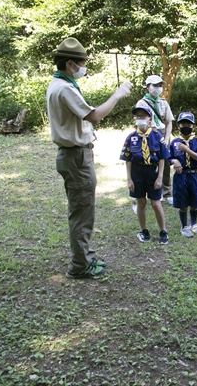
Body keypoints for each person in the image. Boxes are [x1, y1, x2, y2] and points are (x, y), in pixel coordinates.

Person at [47, 37, 132, 279]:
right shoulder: (63, 88)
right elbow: (94, 116)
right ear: (70, 64)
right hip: (76, 158)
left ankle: (85, 257)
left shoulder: (60, 84)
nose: (84, 68)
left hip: (74, 156)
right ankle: (80, 266)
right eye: (82, 63)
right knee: (82, 212)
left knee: (81, 210)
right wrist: (118, 95)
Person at [120, 106, 170, 244]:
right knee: (141, 202)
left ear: (150, 119)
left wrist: (160, 177)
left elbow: (162, 158)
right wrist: (129, 179)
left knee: (156, 203)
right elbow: (128, 159)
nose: (141, 119)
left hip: (152, 173)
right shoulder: (131, 137)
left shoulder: (157, 136)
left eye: (144, 116)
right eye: (138, 117)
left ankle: (163, 231)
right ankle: (144, 230)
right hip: (137, 173)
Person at [135, 75, 175, 206]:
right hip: (149, 134)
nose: (158, 88)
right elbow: (139, 122)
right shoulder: (141, 103)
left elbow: (169, 122)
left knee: (166, 163)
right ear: (147, 87)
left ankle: (167, 192)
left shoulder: (163, 103)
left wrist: (167, 138)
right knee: (150, 162)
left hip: (163, 134)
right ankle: (151, 191)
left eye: (160, 85)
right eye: (155, 85)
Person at [169, 112, 197, 238]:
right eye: (183, 123)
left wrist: (186, 150)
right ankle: (184, 226)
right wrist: (175, 160)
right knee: (183, 202)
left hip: (195, 175)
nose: (186, 126)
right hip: (181, 176)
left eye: (188, 124)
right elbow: (168, 157)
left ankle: (194, 224)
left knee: (195, 201)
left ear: (193, 126)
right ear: (178, 125)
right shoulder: (174, 142)